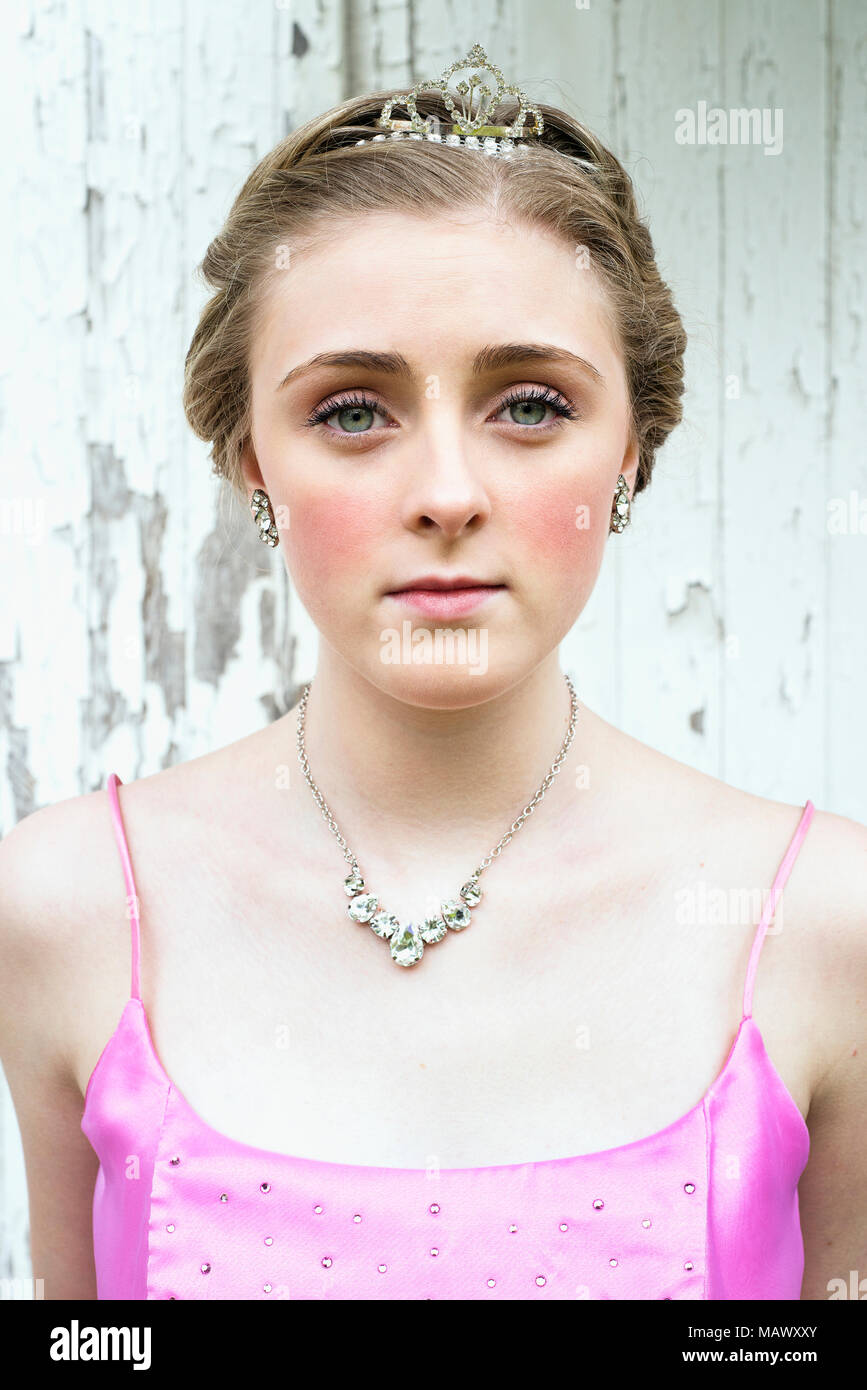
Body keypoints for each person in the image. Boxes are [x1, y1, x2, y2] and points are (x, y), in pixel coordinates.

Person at [1, 46, 864, 1302]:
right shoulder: (65, 905)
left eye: (529, 404)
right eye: (353, 411)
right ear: (253, 461)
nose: (448, 495)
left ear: (634, 446)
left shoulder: (826, 921)